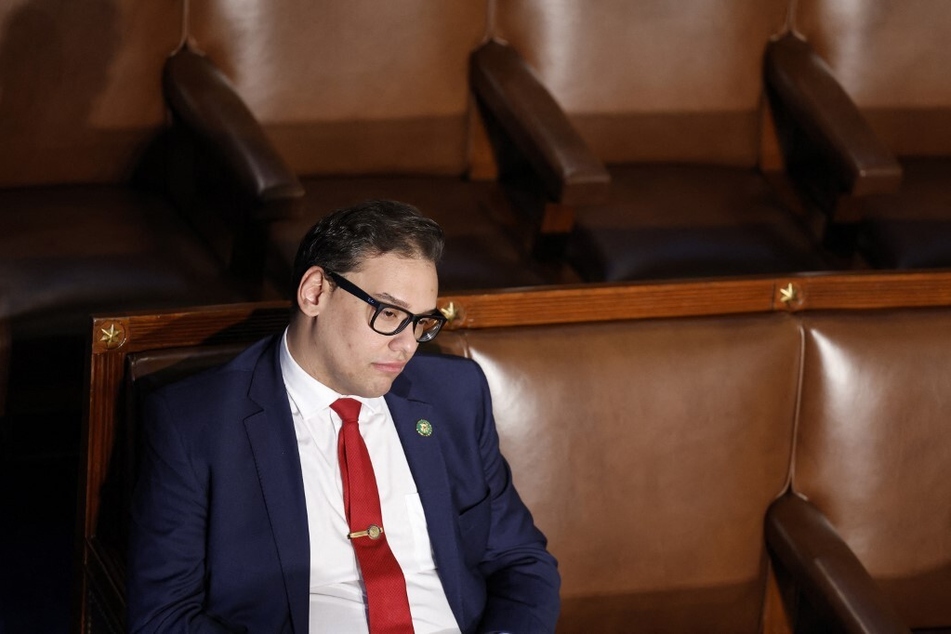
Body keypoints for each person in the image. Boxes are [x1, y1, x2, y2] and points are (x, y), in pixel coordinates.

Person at [127, 200, 560, 633]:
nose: (408, 345)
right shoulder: (194, 422)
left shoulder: (456, 396)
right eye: (389, 314)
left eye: (421, 322)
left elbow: (521, 561)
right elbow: (164, 617)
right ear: (315, 292)